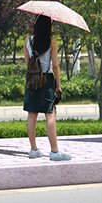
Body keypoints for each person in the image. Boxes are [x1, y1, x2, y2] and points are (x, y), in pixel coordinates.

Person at [24, 14, 71, 161]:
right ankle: (54, 151)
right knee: (50, 114)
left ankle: (33, 149)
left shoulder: (28, 41)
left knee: (32, 115)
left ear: (36, 25)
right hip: (47, 80)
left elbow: (28, 64)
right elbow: (55, 66)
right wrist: (58, 86)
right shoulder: (52, 43)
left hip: (32, 81)